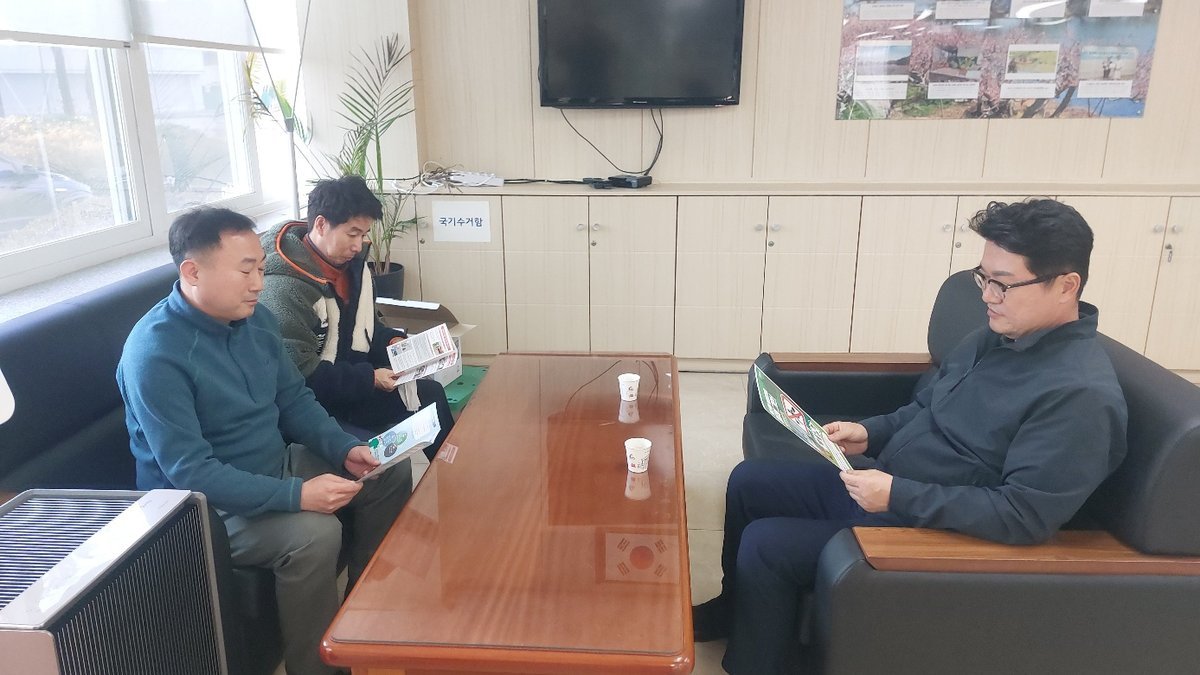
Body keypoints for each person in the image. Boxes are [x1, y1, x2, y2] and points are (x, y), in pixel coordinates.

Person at [694, 199, 1128, 675]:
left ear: (1066, 286)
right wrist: (870, 432)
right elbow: (928, 407)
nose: (988, 296)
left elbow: (1023, 515)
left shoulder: (1078, 396)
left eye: (1003, 283)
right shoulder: (999, 336)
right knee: (751, 481)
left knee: (768, 544)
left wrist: (898, 494)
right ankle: (733, 611)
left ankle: (757, 664)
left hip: (935, 529)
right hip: (890, 487)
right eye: (983, 278)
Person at [118, 207, 412, 675]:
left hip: (272, 464)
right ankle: (316, 668)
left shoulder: (255, 320)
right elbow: (190, 471)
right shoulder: (154, 354)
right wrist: (297, 496)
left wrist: (344, 448)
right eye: (245, 271)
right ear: (192, 272)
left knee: (386, 467)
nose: (259, 283)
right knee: (315, 534)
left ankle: (364, 614)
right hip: (202, 508)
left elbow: (293, 399)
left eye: (260, 267)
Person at [258, 175, 454, 459]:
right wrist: (370, 379)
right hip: (313, 406)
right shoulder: (285, 288)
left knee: (430, 395)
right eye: (352, 234)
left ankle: (453, 474)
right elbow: (300, 376)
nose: (358, 245)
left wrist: (393, 342)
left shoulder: (352, 268)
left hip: (349, 388)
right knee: (377, 460)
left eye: (363, 235)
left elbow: (366, 328)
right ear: (321, 225)